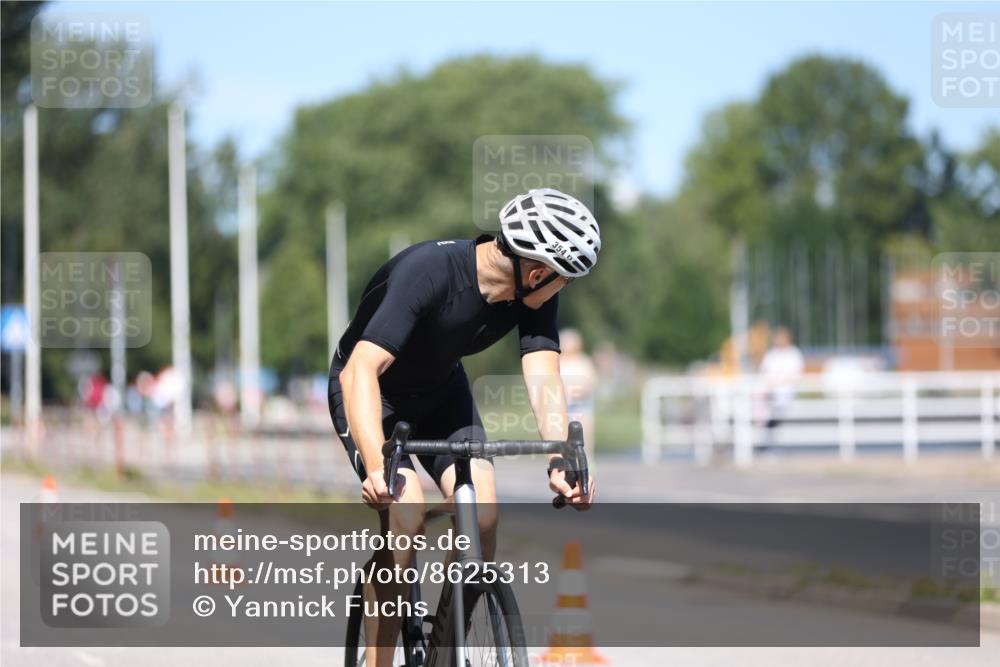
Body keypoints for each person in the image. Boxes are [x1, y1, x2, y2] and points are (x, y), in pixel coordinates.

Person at [328, 187, 600, 665]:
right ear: (538, 272)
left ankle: (446, 645)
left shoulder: (532, 294)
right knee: (407, 517)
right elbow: (360, 371)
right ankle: (380, 659)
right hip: (372, 392)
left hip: (441, 394)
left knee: (484, 517)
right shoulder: (429, 274)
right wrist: (376, 466)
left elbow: (543, 373)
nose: (563, 290)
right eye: (565, 281)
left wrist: (560, 455)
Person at [558, 328, 598, 467]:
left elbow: (590, 382)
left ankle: (587, 460)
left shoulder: (583, 361)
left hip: (581, 405)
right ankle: (566, 460)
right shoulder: (559, 361)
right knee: (563, 433)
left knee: (584, 433)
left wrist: (578, 393)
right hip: (564, 405)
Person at [757, 326, 805, 430]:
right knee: (758, 392)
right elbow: (764, 372)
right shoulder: (771, 354)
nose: (778, 340)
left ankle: (764, 425)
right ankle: (760, 424)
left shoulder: (794, 354)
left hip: (785, 391)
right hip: (770, 390)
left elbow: (795, 377)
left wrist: (777, 381)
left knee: (775, 394)